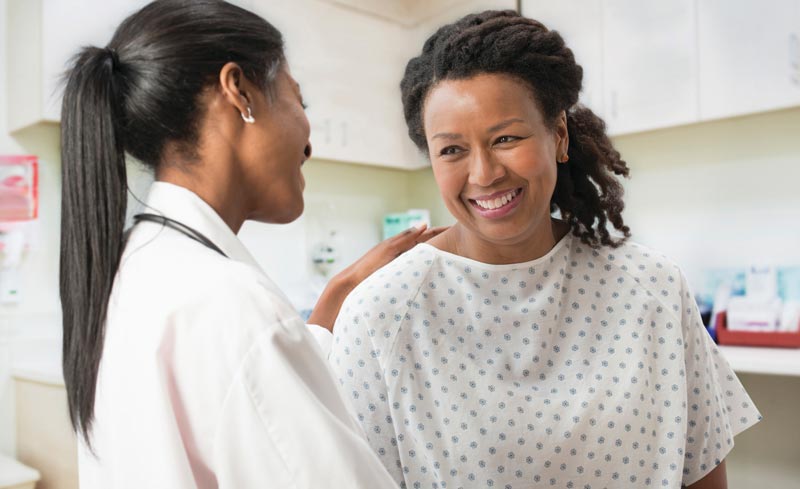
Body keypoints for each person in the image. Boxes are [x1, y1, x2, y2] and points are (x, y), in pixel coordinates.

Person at [329, 10, 760, 489]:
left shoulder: (652, 289)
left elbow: (702, 472)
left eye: (506, 138)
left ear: (558, 135)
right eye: (452, 150)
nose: (484, 174)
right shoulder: (380, 315)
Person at [59, 1, 443, 487]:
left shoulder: (133, 270)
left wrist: (332, 302)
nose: (309, 142)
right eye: (299, 101)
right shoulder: (229, 304)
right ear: (238, 92)